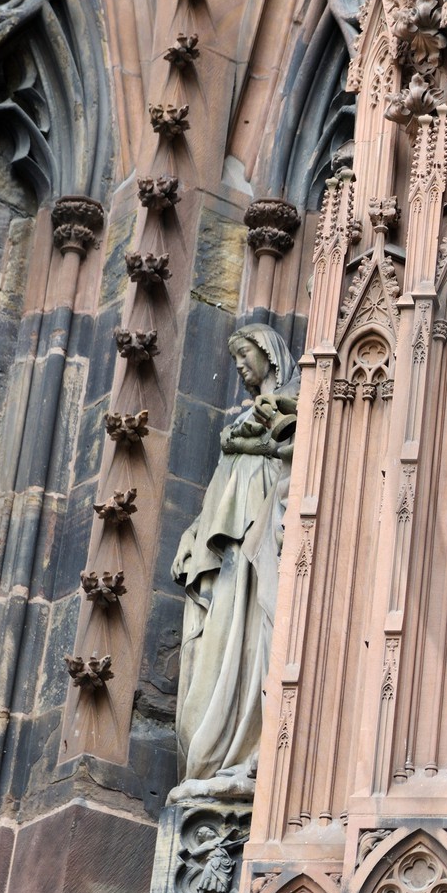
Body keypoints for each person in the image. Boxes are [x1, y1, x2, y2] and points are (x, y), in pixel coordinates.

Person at [169, 324, 299, 803]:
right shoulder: (246, 417)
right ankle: (214, 756)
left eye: (246, 354)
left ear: (269, 352)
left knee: (254, 633)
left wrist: (255, 440)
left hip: (261, 534)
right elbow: (217, 492)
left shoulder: (295, 400)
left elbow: (296, 456)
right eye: (237, 358)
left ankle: (245, 753)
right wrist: (192, 536)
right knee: (220, 636)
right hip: (226, 542)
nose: (241, 365)